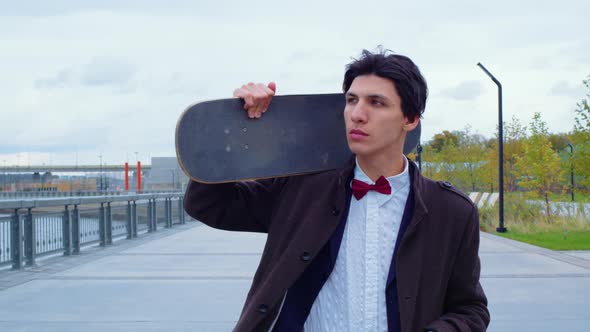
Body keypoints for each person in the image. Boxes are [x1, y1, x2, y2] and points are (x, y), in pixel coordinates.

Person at [184, 48, 490, 331]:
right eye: (352, 100)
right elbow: (211, 204)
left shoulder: (451, 212)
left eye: (376, 102)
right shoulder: (302, 189)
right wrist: (235, 126)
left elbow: (471, 309)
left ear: (410, 119)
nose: (357, 113)